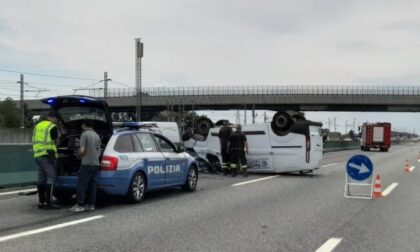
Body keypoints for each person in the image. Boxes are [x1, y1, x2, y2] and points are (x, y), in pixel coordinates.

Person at [70, 120, 101, 212]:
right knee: (92, 185)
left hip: (86, 163)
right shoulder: (97, 135)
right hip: (96, 163)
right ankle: (91, 205)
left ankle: (80, 205)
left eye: (82, 125)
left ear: (84, 125)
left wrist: (79, 155)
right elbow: (99, 150)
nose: (81, 127)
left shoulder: (84, 134)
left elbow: (82, 150)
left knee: (81, 184)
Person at [33, 111, 61, 210]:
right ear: (53, 118)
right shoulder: (52, 126)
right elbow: (56, 142)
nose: (56, 121)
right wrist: (55, 148)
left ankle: (41, 202)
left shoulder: (38, 125)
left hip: (37, 154)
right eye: (56, 120)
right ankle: (49, 202)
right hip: (47, 155)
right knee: (51, 177)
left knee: (41, 178)